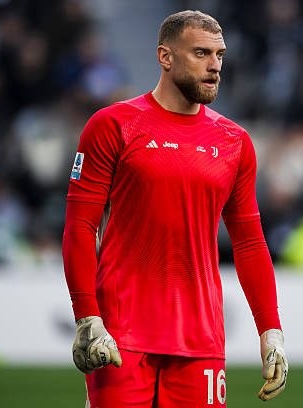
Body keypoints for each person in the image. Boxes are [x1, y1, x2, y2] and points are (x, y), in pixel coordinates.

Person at [61, 10, 287, 407]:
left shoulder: (235, 141)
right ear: (165, 57)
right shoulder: (113, 125)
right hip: (120, 336)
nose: (215, 66)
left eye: (219, 55)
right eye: (201, 53)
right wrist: (88, 318)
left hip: (201, 340)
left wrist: (271, 332)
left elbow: (250, 243)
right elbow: (80, 225)